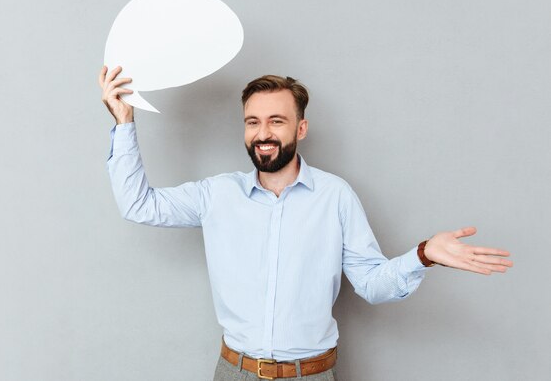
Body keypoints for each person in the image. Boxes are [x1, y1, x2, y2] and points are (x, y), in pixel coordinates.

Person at [98, 65, 513, 381]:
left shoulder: (336, 197)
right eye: (253, 121)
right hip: (235, 373)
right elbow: (139, 204)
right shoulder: (215, 195)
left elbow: (372, 284)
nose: (264, 133)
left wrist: (423, 255)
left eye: (276, 121)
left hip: (310, 377)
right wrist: (124, 122)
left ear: (301, 127)